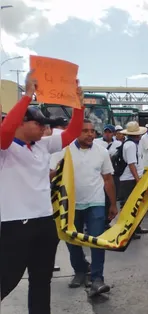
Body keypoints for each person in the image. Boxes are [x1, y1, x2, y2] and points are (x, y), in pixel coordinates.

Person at [0, 72, 84, 314]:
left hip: (43, 222)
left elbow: (71, 133)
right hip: (14, 224)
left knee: (41, 277)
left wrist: (79, 106)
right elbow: (4, 131)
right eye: (39, 124)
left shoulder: (42, 145)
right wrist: (26, 95)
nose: (45, 129)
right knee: (7, 278)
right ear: (24, 123)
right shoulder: (6, 147)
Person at [49, 119, 118, 296]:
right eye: (85, 130)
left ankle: (97, 278)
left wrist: (112, 204)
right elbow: (52, 174)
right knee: (72, 240)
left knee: (97, 240)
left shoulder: (102, 152)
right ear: (75, 133)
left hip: (96, 202)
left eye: (92, 131)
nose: (90, 134)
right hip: (70, 205)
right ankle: (80, 270)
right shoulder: (64, 150)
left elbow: (108, 179)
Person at [117, 121, 148, 239]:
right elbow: (131, 164)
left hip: (131, 178)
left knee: (135, 205)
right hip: (129, 179)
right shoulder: (130, 145)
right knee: (130, 205)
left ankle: (135, 227)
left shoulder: (131, 144)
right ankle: (129, 229)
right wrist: (137, 179)